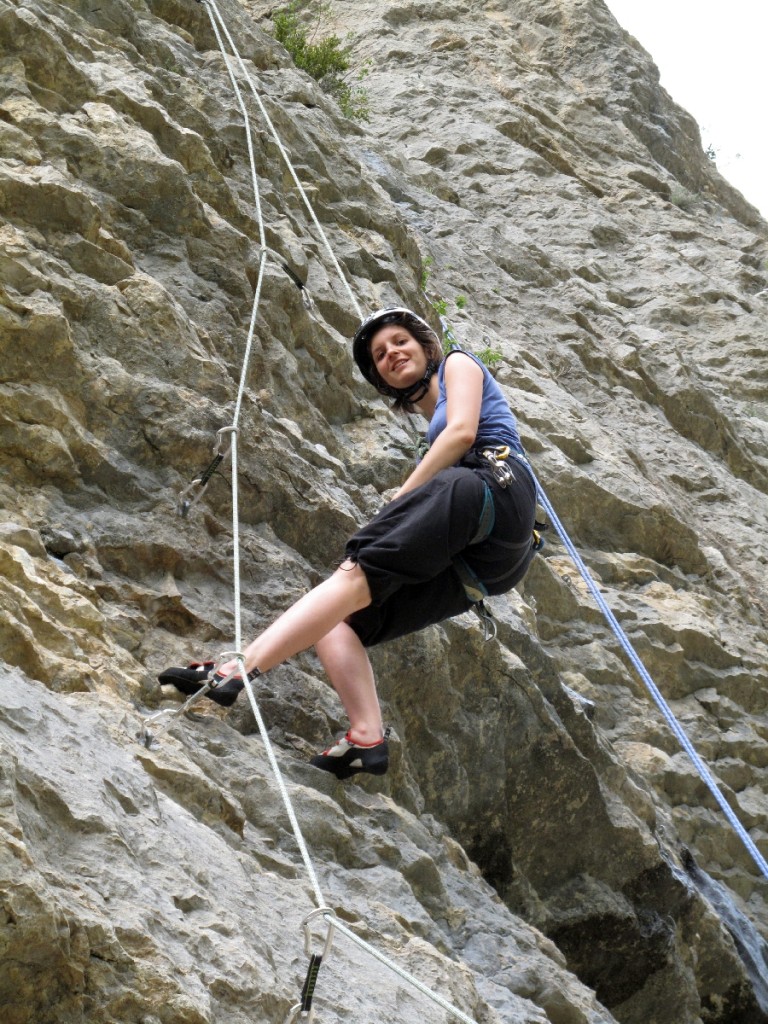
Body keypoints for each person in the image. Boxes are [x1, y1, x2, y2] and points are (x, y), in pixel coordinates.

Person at [159, 307, 538, 779]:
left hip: (492, 483)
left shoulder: (460, 363)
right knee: (338, 621)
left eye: (400, 342)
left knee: (357, 571)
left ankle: (237, 668)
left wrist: (404, 494)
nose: (391, 354)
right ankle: (366, 738)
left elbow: (461, 433)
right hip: (490, 564)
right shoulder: (429, 423)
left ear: (426, 346)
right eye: (380, 354)